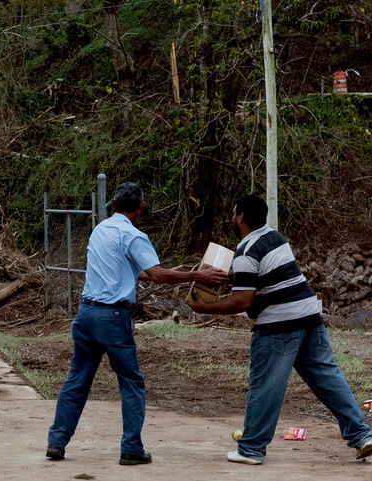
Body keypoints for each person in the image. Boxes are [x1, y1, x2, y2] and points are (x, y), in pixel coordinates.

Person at [46, 182, 227, 465]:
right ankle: (131, 449)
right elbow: (155, 275)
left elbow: (128, 272)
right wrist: (197, 277)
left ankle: (56, 441)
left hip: (86, 314)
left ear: (114, 205)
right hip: (113, 318)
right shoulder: (133, 235)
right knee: (131, 383)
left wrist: (164, 273)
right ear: (140, 208)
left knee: (77, 379)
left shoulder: (100, 230)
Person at [188, 194, 372, 464]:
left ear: (240, 217)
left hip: (279, 325)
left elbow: (243, 300)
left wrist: (203, 308)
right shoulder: (275, 238)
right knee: (328, 378)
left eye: (233, 214)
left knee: (266, 386)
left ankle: (250, 448)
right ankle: (361, 435)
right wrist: (233, 276)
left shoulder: (246, 250)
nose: (232, 218)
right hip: (310, 316)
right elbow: (266, 275)